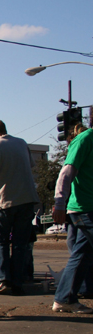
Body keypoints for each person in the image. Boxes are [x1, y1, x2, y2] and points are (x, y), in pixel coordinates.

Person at [0, 120, 40, 296]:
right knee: (20, 243)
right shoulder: (21, 143)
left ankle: (4, 280)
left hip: (4, 200)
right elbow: (31, 167)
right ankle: (18, 281)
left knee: (1, 241)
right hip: (27, 199)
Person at [51, 124, 93, 313]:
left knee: (83, 253)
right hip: (85, 208)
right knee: (83, 253)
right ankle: (64, 297)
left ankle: (65, 297)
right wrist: (59, 204)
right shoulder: (85, 139)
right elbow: (66, 173)